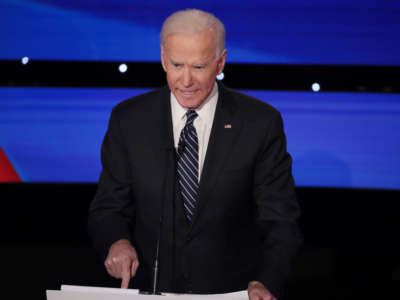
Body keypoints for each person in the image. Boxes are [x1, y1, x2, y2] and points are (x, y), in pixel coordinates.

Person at [88, 8, 301, 300]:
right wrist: (116, 241)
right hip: (150, 288)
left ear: (220, 62)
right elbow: (108, 207)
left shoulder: (259, 123)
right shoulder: (129, 119)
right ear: (163, 58)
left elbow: (281, 221)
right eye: (176, 65)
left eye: (199, 67)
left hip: (232, 291)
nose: (185, 81)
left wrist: (266, 281)